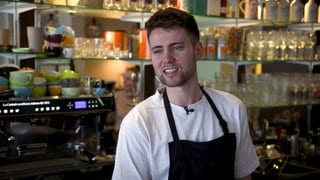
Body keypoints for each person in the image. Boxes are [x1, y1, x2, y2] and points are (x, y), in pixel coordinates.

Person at [112, 8, 259, 180]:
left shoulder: (232, 108)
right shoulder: (139, 123)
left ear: (198, 51)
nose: (167, 58)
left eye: (177, 48)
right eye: (158, 50)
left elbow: (243, 177)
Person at [111, 66, 140, 141]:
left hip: (137, 137)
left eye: (128, 79)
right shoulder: (118, 95)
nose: (124, 81)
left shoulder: (142, 97)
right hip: (118, 137)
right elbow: (109, 119)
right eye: (124, 78)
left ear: (136, 81)